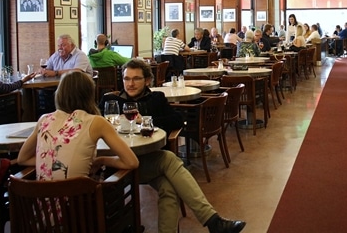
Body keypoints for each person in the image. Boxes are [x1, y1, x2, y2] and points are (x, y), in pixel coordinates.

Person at [98, 60, 246, 233]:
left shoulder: (156, 98)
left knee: (169, 189)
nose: (130, 84)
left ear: (147, 80)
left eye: (136, 79)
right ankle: (213, 221)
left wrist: (146, 120)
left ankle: (213, 222)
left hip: (147, 161)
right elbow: (97, 128)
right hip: (118, 164)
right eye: (126, 79)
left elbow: (176, 120)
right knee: (168, 159)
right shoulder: (110, 101)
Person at [17, 70, 139, 180]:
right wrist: (100, 160)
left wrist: (50, 162)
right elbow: (132, 162)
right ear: (89, 95)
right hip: (79, 202)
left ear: (59, 93)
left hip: (43, 202)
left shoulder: (44, 120)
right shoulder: (96, 122)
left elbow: (22, 159)